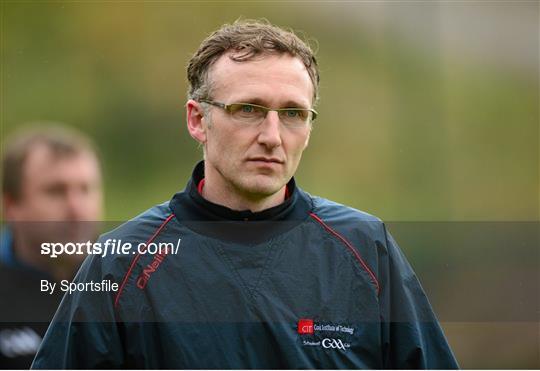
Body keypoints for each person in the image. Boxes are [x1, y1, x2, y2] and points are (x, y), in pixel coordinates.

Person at [32, 20, 458, 369]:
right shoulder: (120, 263)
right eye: (248, 109)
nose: (272, 136)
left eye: (293, 113)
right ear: (198, 120)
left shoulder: (368, 248)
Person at [0, 125, 103, 368]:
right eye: (56, 191)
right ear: (11, 205)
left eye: (86, 189)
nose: (77, 209)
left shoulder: (132, 283)